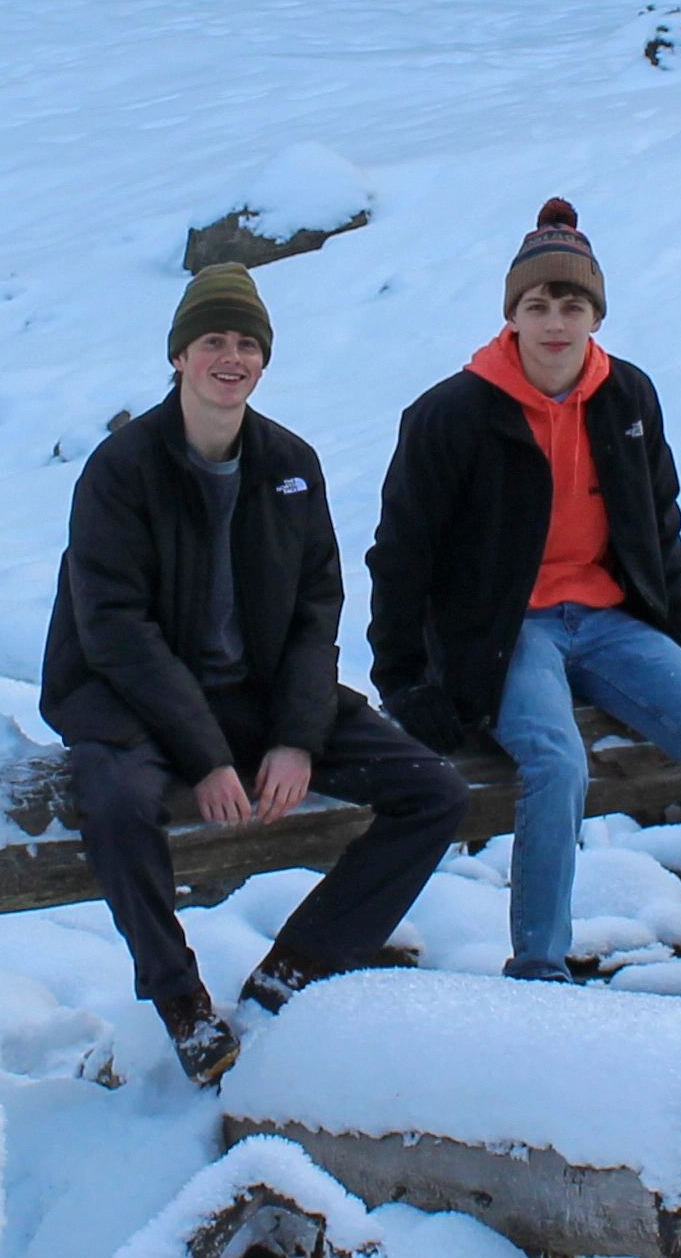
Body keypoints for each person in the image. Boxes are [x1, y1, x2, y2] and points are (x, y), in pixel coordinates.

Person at [367, 199, 681, 1010]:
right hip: (509, 635)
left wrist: (680, 632)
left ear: (594, 315)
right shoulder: (453, 413)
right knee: (556, 763)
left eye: (571, 305)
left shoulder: (628, 397)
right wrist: (405, 678)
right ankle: (539, 975)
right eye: (537, 305)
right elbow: (402, 553)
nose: (554, 322)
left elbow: (659, 520)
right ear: (513, 314)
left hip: (612, 620)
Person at [40, 259, 468, 1085]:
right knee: (121, 805)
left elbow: (317, 609)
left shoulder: (289, 464)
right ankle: (179, 1002)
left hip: (260, 694)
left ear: (264, 360)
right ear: (179, 357)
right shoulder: (121, 470)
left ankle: (296, 968)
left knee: (435, 793)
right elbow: (115, 629)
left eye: (246, 344)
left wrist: (298, 738)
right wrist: (203, 756)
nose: (229, 358)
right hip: (129, 698)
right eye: (212, 342)